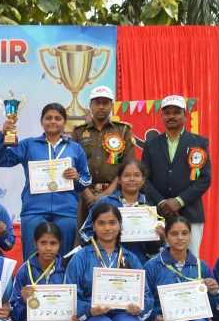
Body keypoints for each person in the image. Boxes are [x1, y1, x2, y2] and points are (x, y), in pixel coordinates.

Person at [0, 102, 91, 260]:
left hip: (66, 210)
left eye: (58, 118)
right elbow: (0, 160)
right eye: (48, 118)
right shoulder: (28, 145)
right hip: (34, 210)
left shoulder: (75, 148)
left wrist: (77, 177)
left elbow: (87, 180)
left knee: (65, 259)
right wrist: (2, 135)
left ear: (64, 122)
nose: (53, 121)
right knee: (32, 259)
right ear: (41, 121)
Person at [141, 95, 211, 257]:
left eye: (176, 112)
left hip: (191, 213)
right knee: (157, 260)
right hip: (158, 213)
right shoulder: (151, 145)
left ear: (185, 116)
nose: (171, 116)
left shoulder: (199, 142)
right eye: (167, 113)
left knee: (190, 260)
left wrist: (179, 201)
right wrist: (161, 202)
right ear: (162, 116)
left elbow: (204, 179)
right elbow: (144, 179)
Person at [72, 86, 135, 237]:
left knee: (113, 236)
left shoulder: (123, 130)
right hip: (84, 196)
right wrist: (87, 193)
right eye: (97, 102)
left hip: (115, 195)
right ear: (90, 105)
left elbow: (127, 167)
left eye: (105, 103)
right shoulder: (79, 132)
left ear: (111, 105)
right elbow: (72, 167)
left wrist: (106, 194)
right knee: (83, 238)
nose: (101, 106)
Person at [79, 159, 163, 265]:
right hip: (105, 261)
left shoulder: (149, 208)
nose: (132, 179)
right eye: (127, 175)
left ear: (143, 180)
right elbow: (85, 233)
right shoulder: (105, 202)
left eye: (136, 175)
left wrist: (158, 238)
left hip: (138, 263)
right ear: (119, 180)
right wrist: (104, 235)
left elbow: (153, 250)